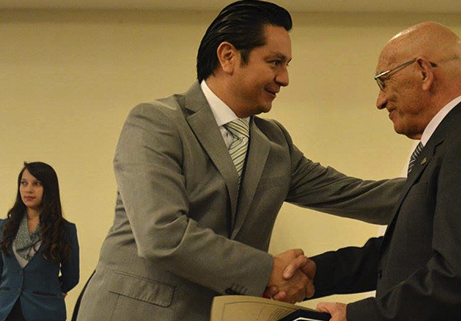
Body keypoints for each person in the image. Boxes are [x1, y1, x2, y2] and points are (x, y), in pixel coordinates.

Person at [74, 1, 403, 321]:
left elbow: (353, 194)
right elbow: (163, 235)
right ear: (228, 56)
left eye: (287, 64)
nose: (285, 78)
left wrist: (440, 186)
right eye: (275, 62)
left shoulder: (275, 144)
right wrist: (268, 271)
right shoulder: (155, 122)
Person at [280, 21, 461, 320]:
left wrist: (360, 316)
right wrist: (318, 273)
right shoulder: (453, 140)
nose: (380, 101)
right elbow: (407, 250)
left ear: (424, 73)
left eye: (384, 82)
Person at [0, 162, 79, 321]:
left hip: (44, 310)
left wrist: (51, 290)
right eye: (24, 183)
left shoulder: (64, 229)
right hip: (5, 309)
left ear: (48, 188)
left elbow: (71, 276)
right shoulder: (4, 227)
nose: (28, 189)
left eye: (36, 184)